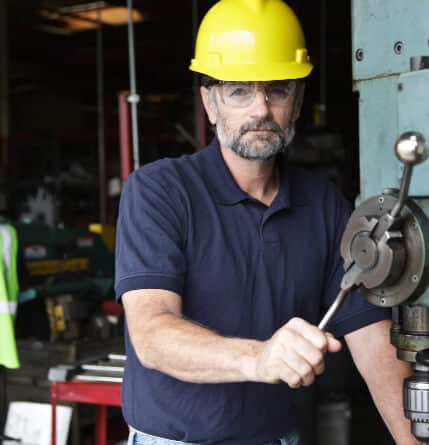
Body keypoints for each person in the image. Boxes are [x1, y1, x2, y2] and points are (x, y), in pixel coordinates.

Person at [115, 1, 418, 444]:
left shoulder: (323, 205)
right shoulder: (160, 191)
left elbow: (371, 336)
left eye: (277, 89)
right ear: (210, 102)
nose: (261, 108)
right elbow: (152, 334)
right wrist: (259, 359)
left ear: (297, 103)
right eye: (239, 90)